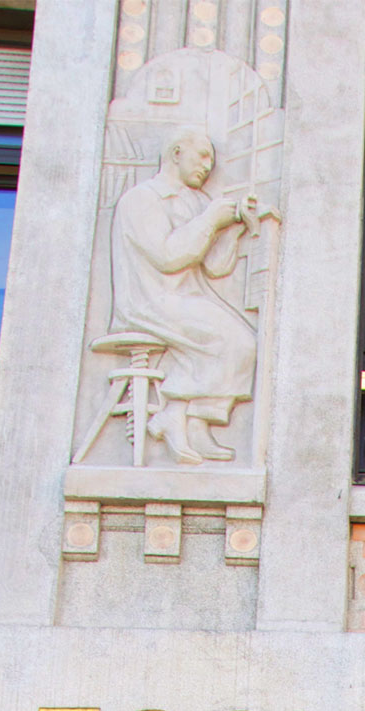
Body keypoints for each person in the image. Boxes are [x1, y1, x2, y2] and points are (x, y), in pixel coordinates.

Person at [109, 128, 257, 464]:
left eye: (212, 161)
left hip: (186, 299)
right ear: (176, 152)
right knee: (229, 339)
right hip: (148, 301)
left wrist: (234, 228)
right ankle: (174, 415)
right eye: (202, 155)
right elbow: (168, 256)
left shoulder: (199, 201)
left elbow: (217, 268)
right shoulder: (143, 198)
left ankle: (192, 422)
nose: (208, 166)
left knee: (243, 343)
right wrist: (210, 220)